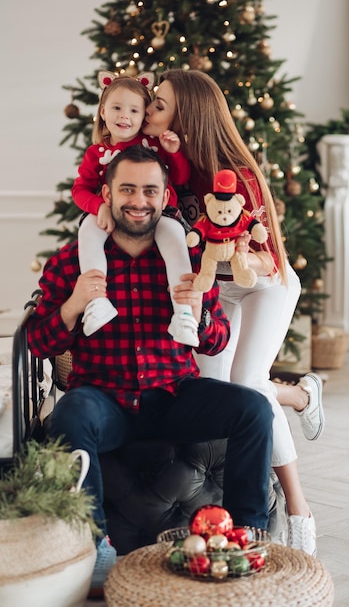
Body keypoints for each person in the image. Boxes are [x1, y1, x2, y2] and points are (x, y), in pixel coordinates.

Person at [27, 145, 274, 597]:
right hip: (105, 402)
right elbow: (38, 342)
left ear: (164, 199)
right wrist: (74, 305)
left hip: (174, 397)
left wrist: (199, 313)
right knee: (71, 412)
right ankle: (93, 546)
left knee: (254, 409)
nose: (138, 200)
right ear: (106, 194)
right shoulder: (70, 261)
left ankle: (245, 537)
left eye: (149, 190)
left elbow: (216, 340)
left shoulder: (187, 260)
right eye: (126, 189)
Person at [144, 69, 325, 556]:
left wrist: (242, 259)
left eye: (159, 104)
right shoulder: (162, 165)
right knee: (224, 393)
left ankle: (297, 508)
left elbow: (273, 258)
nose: (150, 112)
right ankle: (300, 395)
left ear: (189, 114)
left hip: (264, 284)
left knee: (247, 383)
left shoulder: (237, 175)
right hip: (215, 292)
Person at [72, 71, 198, 347]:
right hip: (113, 213)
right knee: (88, 229)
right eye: (116, 108)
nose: (124, 116)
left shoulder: (153, 145)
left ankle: (184, 313)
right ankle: (97, 302)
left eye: (134, 110)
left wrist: (174, 152)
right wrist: (98, 206)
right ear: (103, 111)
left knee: (175, 239)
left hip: (159, 214)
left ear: (144, 116)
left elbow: (179, 178)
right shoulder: (98, 152)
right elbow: (80, 189)